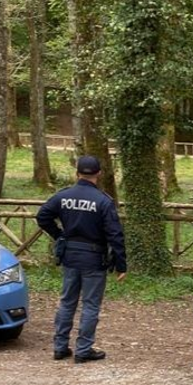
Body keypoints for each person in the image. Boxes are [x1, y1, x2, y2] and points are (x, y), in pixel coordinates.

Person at [36, 155, 127, 363]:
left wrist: (59, 235)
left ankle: (60, 347)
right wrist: (121, 264)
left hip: (70, 256)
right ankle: (83, 350)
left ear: (77, 173)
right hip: (94, 259)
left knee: (67, 302)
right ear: (99, 174)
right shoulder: (103, 201)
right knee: (90, 305)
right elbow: (115, 234)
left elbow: (42, 216)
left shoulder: (63, 196)